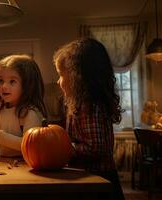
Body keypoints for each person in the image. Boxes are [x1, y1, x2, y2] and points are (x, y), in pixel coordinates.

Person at [53, 38, 125, 200]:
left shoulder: (90, 105)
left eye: (61, 75)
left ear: (77, 77)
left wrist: (65, 147)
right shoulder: (79, 103)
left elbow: (96, 147)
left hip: (98, 179)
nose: (58, 82)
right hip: (87, 177)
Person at [0, 55, 47, 157]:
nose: (4, 86)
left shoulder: (29, 113)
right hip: (6, 163)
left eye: (12, 81)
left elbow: (28, 144)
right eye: (1, 80)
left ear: (27, 85)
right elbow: (1, 131)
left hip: (26, 165)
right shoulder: (0, 110)